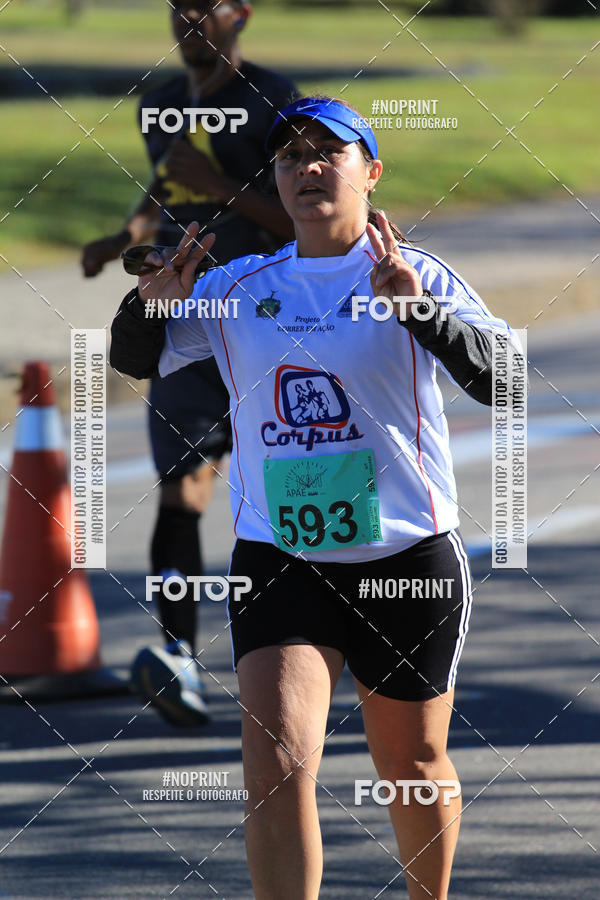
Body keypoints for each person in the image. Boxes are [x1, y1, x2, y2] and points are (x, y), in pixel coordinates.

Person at [110, 96, 520, 899]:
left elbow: (503, 380)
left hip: (406, 558)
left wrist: (418, 310)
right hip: (283, 558)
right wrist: (148, 301)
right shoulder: (238, 286)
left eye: (329, 152)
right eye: (291, 156)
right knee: (275, 756)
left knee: (410, 762)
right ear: (276, 178)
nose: (308, 168)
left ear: (370, 172)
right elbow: (136, 357)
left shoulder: (419, 273)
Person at [82, 0, 296, 726]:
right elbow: (166, 185)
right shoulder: (162, 101)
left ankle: (332, 651)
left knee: (296, 492)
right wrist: (124, 236)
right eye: (180, 7)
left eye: (207, 7)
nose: (190, 19)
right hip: (190, 326)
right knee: (183, 494)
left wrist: (219, 189)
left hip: (272, 330)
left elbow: (298, 215)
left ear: (243, 13)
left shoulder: (275, 101)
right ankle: (178, 661)